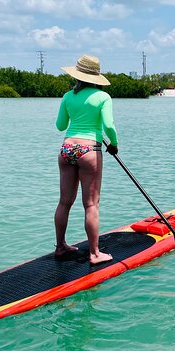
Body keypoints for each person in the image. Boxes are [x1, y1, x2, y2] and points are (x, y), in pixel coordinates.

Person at [54, 55, 119, 264]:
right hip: (89, 150)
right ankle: (94, 254)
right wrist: (115, 144)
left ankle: (61, 246)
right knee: (91, 205)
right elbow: (108, 126)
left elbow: (60, 125)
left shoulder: (67, 96)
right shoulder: (103, 97)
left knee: (65, 201)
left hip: (67, 148)